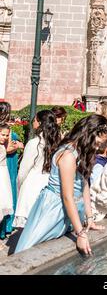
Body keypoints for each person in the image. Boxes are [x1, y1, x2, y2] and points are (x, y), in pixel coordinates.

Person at [14, 114, 107, 255]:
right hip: (54, 208)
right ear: (88, 134)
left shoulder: (81, 152)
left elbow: (84, 185)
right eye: (97, 143)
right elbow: (67, 196)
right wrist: (81, 234)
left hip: (69, 208)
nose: (97, 148)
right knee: (32, 251)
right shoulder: (68, 155)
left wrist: (89, 218)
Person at [14, 110, 61, 228]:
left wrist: (19, 187)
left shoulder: (34, 143)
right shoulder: (57, 142)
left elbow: (23, 171)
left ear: (40, 123)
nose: (32, 122)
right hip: (49, 184)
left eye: (34, 120)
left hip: (32, 186)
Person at [0, 101, 24, 239]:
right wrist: (19, 145)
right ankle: (5, 226)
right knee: (6, 193)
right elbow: (7, 149)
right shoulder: (5, 130)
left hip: (8, 162)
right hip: (6, 164)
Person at [0, 124, 13, 224]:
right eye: (2, 135)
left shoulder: (2, 145)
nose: (5, 137)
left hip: (4, 176)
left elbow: (8, 147)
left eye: (6, 135)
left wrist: (10, 132)